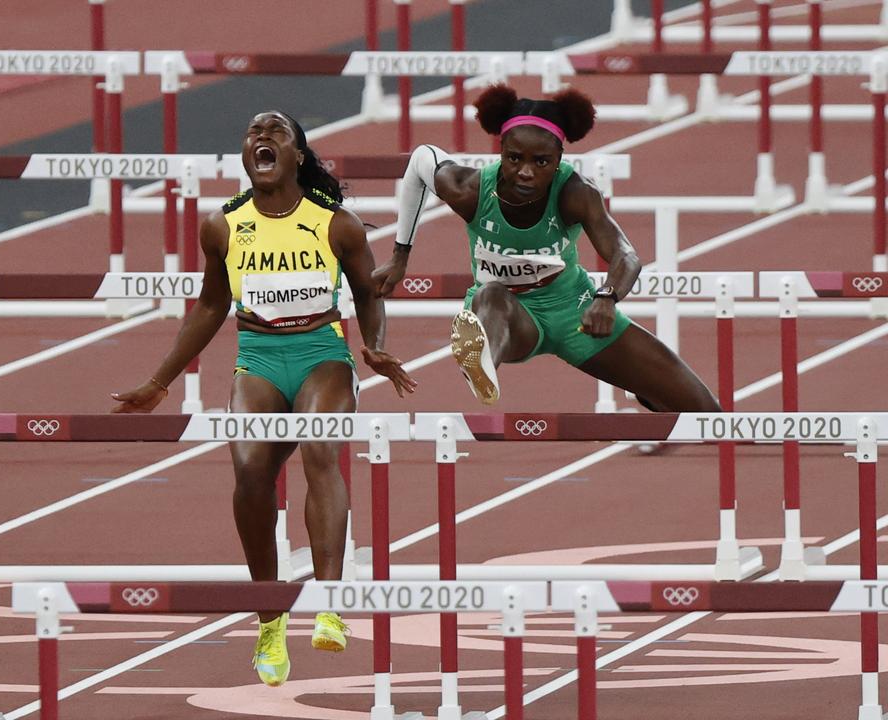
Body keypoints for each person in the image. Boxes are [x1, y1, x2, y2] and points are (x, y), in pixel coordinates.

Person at [111, 111, 417, 687]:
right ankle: (271, 618)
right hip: (258, 356)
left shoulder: (336, 224)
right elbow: (208, 306)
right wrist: (161, 380)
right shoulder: (222, 227)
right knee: (250, 471)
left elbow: (368, 294)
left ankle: (329, 603)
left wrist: (374, 347)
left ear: (298, 154)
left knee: (320, 453)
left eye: (275, 132)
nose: (261, 139)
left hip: (321, 353)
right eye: (252, 132)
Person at [374, 84, 720, 413]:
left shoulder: (576, 193)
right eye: (513, 158)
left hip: (576, 312)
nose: (525, 172)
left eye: (540, 162)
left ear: (558, 160)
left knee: (709, 415)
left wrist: (607, 298)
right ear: (500, 152)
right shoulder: (470, 190)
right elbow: (421, 159)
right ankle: (480, 362)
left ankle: (654, 399)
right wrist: (400, 254)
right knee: (491, 295)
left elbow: (625, 255)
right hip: (511, 319)